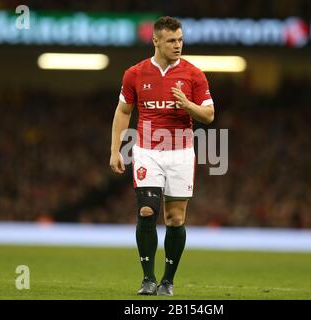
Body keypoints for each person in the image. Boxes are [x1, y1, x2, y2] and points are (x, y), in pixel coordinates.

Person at [109, 16, 214, 296]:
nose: (178, 45)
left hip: (180, 152)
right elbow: (123, 112)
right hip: (147, 152)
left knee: (175, 219)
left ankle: (167, 281)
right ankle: (148, 278)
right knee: (146, 211)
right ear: (155, 41)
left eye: (180, 39)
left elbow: (209, 115)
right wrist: (115, 150)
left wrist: (187, 104)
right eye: (171, 40)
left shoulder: (194, 74)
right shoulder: (135, 73)